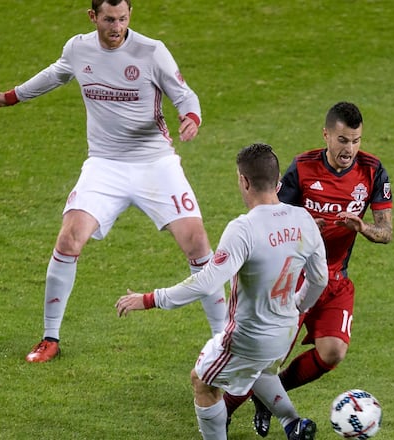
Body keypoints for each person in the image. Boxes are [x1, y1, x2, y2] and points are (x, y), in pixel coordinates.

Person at [0, 0, 226, 363]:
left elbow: (185, 95)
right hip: (104, 165)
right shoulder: (79, 48)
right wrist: (11, 96)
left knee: (197, 242)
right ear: (93, 17)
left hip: (155, 163)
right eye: (109, 19)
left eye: (123, 18)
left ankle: (223, 341)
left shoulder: (151, 51)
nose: (117, 26)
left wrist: (191, 118)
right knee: (69, 237)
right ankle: (50, 337)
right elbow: (56, 73)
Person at [115, 143, 328, 440]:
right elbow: (319, 279)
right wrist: (296, 306)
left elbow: (206, 282)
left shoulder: (244, 229)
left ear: (244, 181)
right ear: (278, 181)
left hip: (248, 337)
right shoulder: (304, 219)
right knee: (259, 370)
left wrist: (149, 299)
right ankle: (293, 424)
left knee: (202, 381)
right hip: (285, 332)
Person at [225, 101, 393, 436]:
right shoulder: (302, 167)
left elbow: (386, 232)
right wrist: (304, 223)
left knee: (332, 353)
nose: (350, 149)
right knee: (265, 358)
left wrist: (362, 229)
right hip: (294, 278)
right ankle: (222, 410)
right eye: (343, 140)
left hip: (335, 279)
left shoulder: (372, 171)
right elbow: (272, 214)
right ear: (327, 134)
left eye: (356, 141)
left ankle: (271, 399)